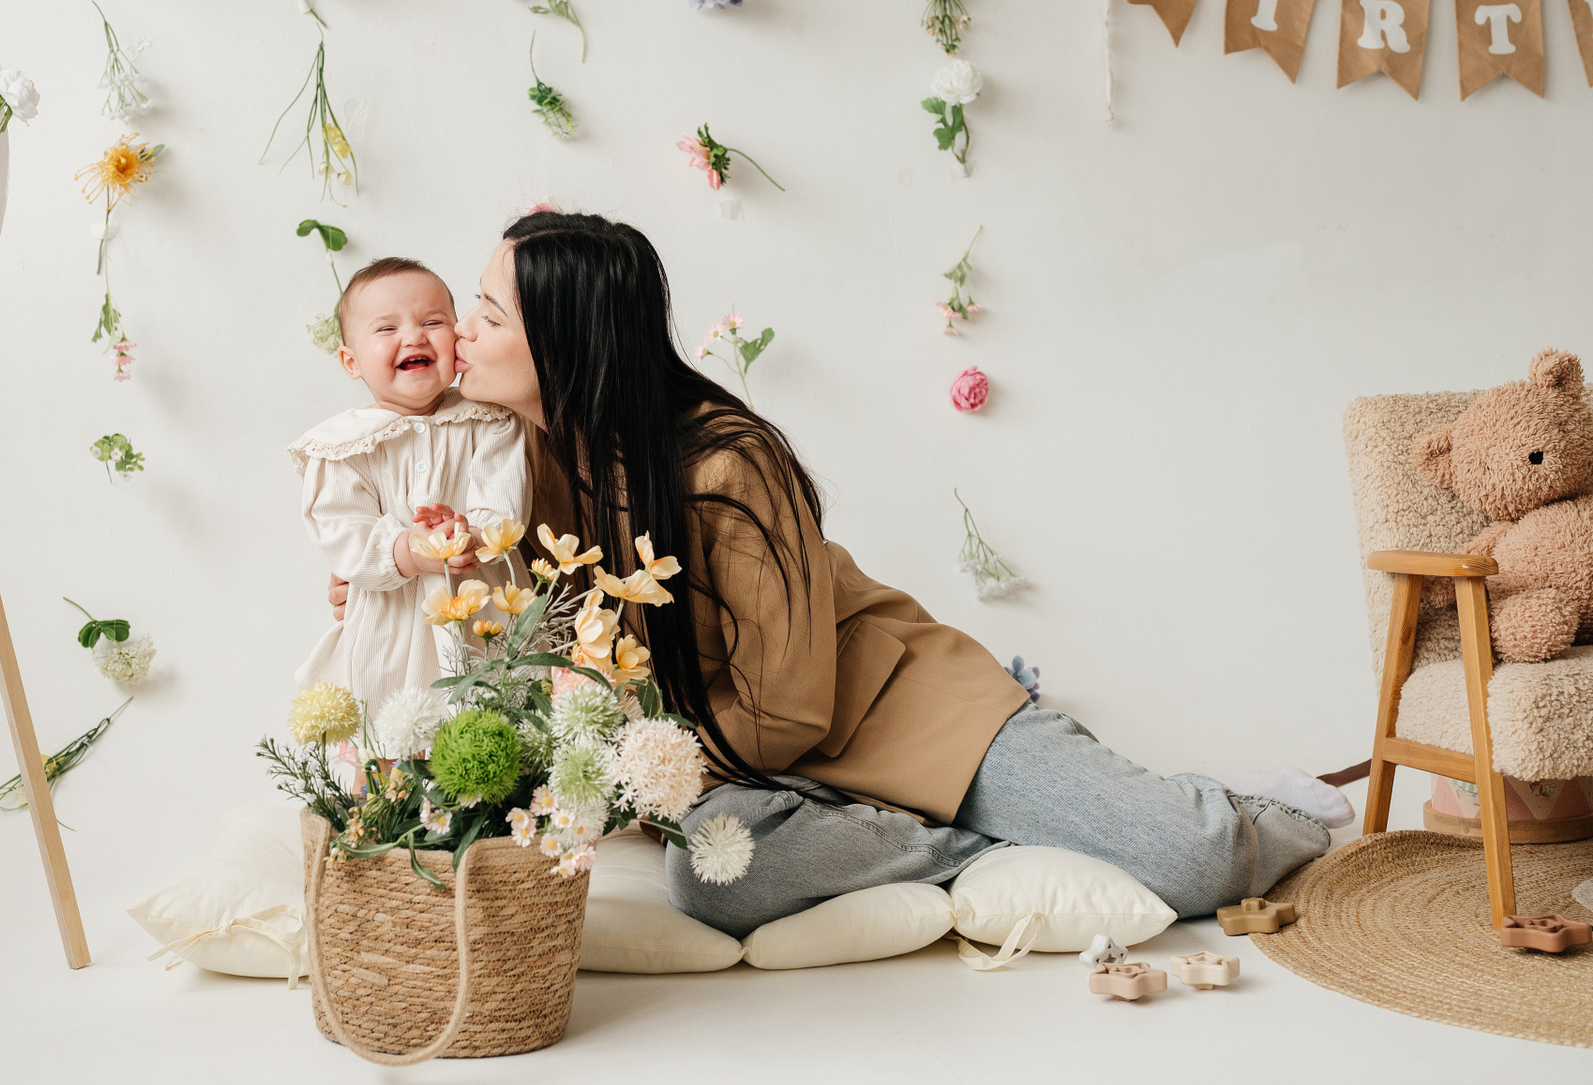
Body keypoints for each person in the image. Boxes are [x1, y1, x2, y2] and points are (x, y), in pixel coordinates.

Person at [334, 213, 1333, 939]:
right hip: (751, 774)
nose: (461, 333)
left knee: (1195, 861)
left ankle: (1259, 807)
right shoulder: (514, 457)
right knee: (715, 874)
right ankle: (993, 847)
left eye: (486, 312)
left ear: (565, 340)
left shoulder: (729, 462)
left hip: (896, 715)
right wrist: (375, 580)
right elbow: (437, 550)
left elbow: (791, 706)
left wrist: (650, 766)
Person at [289, 257, 527, 721]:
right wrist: (411, 552)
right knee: (390, 726)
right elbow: (342, 532)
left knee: (502, 719)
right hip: (390, 627)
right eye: (387, 328)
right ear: (351, 361)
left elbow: (504, 506)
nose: (414, 337)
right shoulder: (341, 447)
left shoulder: (490, 420)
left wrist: (469, 535)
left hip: (484, 614)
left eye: (432, 322)